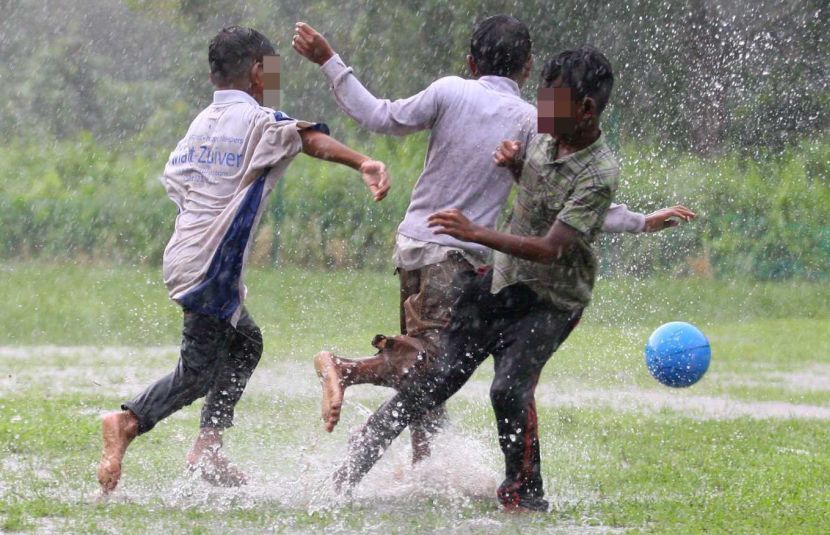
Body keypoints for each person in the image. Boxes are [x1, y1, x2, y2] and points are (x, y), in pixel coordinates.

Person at [292, 17, 694, 462]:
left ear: (470, 62)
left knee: (429, 368)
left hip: (411, 246)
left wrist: (329, 60)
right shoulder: (532, 120)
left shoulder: (449, 90)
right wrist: (640, 221)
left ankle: (423, 468)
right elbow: (565, 203)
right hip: (455, 256)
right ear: (527, 67)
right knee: (430, 366)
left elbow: (377, 115)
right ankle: (345, 369)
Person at [96, 26, 391, 495]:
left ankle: (208, 448)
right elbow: (308, 138)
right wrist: (364, 163)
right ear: (257, 71)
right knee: (198, 371)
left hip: (188, 254)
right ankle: (127, 420)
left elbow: (179, 182)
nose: (273, 80)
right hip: (210, 266)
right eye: (270, 71)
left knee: (246, 343)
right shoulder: (258, 119)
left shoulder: (200, 123)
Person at [332, 46, 625, 512]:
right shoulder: (547, 136)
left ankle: (525, 496)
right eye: (542, 97)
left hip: (552, 301)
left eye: (552, 103)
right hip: (503, 283)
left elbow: (551, 247)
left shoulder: (599, 172)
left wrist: (476, 232)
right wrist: (514, 165)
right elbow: (536, 187)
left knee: (508, 388)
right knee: (434, 375)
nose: (540, 110)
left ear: (586, 110)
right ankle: (350, 468)